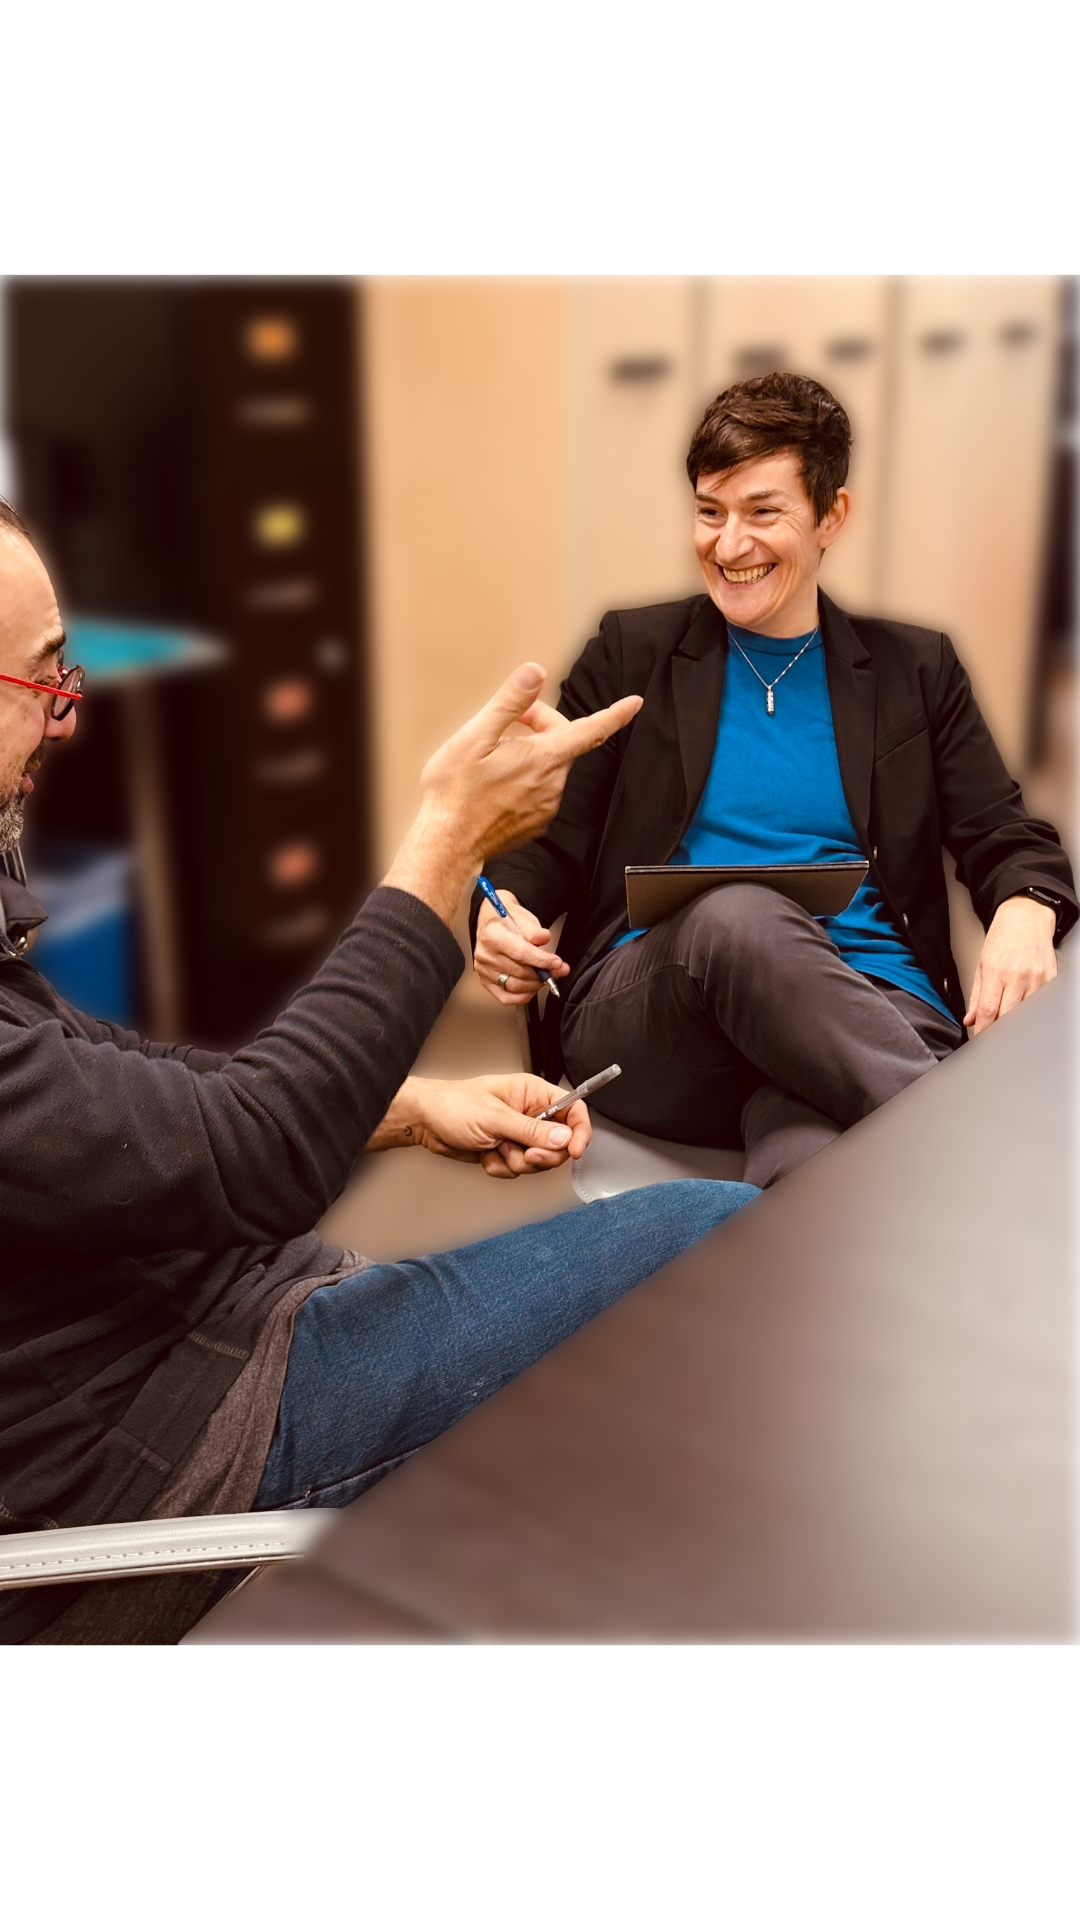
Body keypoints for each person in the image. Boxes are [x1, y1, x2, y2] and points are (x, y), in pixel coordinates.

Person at [0, 500, 758, 1645]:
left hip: (220, 1307)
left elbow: (116, 1098)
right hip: (175, 1441)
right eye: (45, 683)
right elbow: (257, 1153)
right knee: (728, 1239)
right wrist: (449, 843)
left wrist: (410, 1109)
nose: (66, 725)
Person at [472, 372, 1076, 1189]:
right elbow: (546, 843)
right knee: (740, 918)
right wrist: (502, 914)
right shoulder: (632, 654)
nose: (728, 545)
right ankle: (1011, 1178)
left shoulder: (914, 670)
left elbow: (1008, 838)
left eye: (763, 512)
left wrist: (1025, 913)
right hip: (660, 1016)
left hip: (865, 1003)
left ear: (831, 517)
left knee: (814, 1173)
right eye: (709, 512)